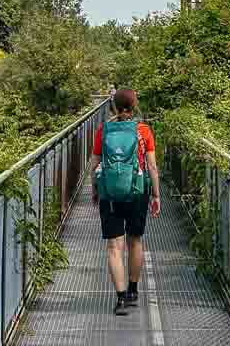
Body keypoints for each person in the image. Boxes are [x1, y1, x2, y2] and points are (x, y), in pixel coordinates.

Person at [89, 87, 161, 316]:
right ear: (134, 105)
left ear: (113, 106)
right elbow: (151, 166)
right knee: (135, 240)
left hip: (110, 193)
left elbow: (95, 163)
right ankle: (132, 291)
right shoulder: (143, 131)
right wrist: (156, 195)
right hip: (138, 191)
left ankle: (120, 299)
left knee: (114, 246)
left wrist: (95, 189)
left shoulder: (104, 130)